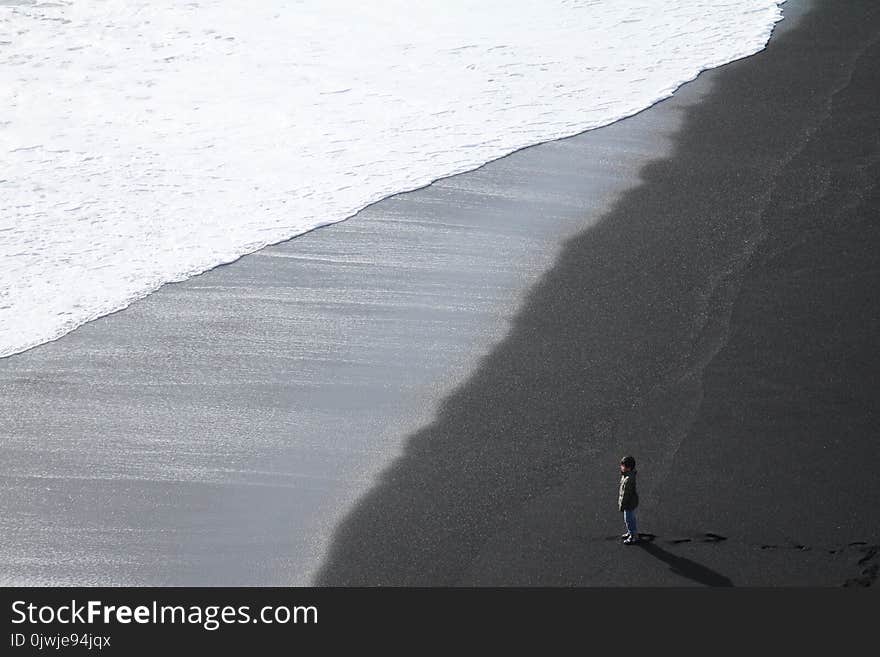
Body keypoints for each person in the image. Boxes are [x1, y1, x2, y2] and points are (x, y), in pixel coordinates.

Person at [618, 455, 640, 544]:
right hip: (630, 503)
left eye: (623, 466)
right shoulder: (627, 475)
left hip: (628, 504)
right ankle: (631, 532)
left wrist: (622, 505)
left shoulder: (628, 479)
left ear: (628, 468)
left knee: (629, 520)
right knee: (629, 519)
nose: (621, 467)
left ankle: (633, 536)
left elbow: (626, 495)